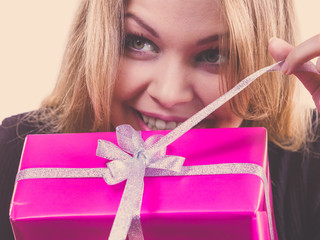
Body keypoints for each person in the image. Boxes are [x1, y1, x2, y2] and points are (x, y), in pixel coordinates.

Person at [1, 0, 320, 239]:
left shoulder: (310, 160)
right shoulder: (15, 154)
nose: (169, 94)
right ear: (96, 41)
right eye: (139, 42)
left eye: (213, 55)